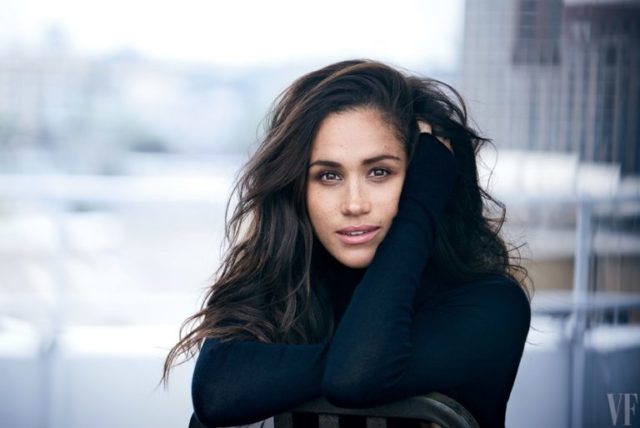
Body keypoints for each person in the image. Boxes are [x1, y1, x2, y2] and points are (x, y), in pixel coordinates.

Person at [162, 59, 532, 428]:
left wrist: (420, 206)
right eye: (328, 176)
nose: (354, 204)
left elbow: (355, 378)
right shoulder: (282, 289)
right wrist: (347, 356)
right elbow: (216, 395)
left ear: (424, 178)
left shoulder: (492, 305)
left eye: (380, 172)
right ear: (298, 190)